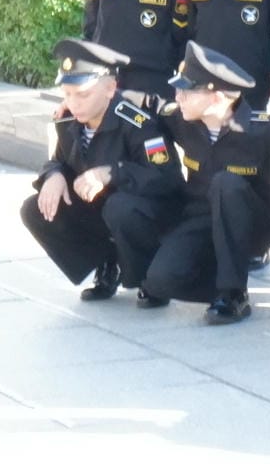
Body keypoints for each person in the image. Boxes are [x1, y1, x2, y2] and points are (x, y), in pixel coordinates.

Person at [143, 42, 270, 324]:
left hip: (252, 226)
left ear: (217, 97)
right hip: (201, 219)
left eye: (186, 90)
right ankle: (219, 283)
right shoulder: (181, 119)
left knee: (226, 183)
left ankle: (233, 293)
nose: (177, 96)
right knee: (160, 280)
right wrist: (69, 114)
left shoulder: (263, 130)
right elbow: (140, 116)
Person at [19, 39, 185, 303]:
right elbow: (60, 159)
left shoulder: (138, 122)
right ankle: (107, 263)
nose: (74, 103)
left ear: (110, 88)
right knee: (34, 208)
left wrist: (112, 173)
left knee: (119, 207)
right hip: (103, 211)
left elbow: (167, 178)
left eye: (83, 94)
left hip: (149, 215)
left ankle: (150, 277)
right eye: (67, 94)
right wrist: (54, 175)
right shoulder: (69, 119)